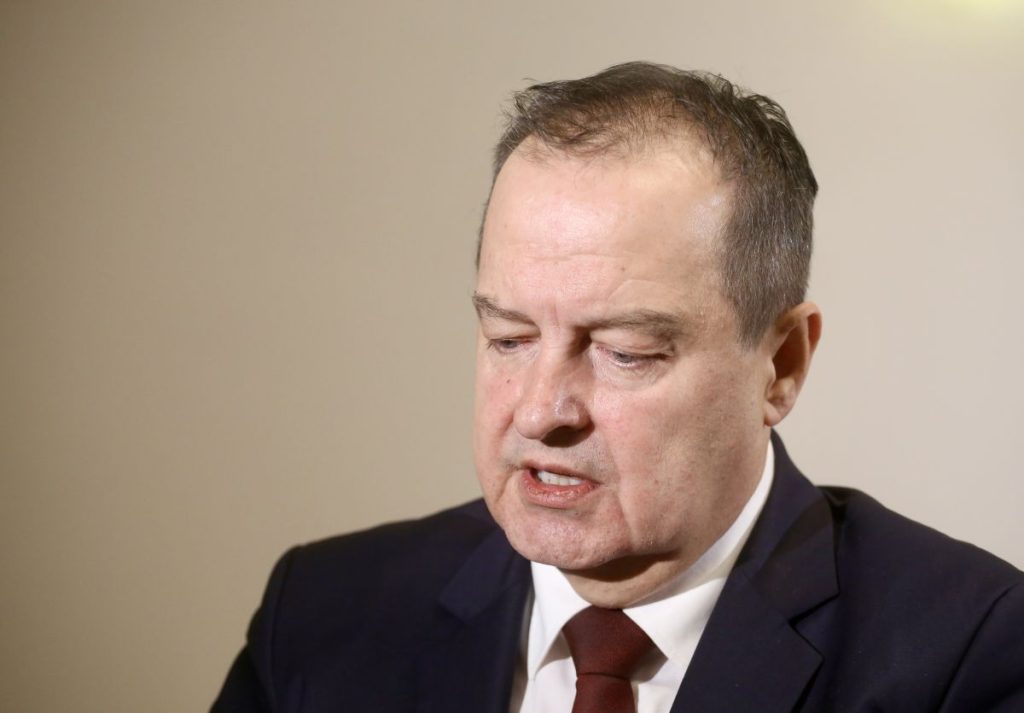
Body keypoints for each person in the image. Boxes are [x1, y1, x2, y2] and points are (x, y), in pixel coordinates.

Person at [211, 62, 1023, 712]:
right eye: (509, 338)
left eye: (624, 352)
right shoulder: (320, 613)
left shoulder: (972, 654)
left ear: (780, 366)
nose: (540, 410)